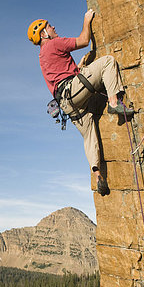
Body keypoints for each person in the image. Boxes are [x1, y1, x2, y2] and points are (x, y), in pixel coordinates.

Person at [27, 10, 134, 195]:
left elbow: (61, 74)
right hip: (73, 90)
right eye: (50, 26)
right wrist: (86, 20)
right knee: (108, 62)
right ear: (43, 34)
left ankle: (97, 174)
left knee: (89, 134)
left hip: (66, 103)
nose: (54, 27)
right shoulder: (54, 44)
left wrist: (79, 68)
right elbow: (84, 40)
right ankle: (114, 102)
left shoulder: (42, 57)